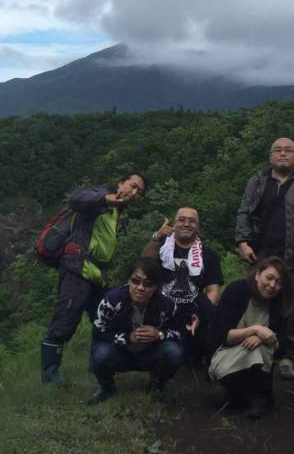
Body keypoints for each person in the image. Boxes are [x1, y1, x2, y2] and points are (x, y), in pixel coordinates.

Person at [40, 172, 146, 385]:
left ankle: (101, 368)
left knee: (105, 319)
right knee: (66, 319)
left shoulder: (119, 214)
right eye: (132, 186)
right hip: (77, 268)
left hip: (95, 274)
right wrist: (105, 198)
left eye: (139, 192)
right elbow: (75, 198)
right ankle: (50, 378)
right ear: (120, 183)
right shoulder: (101, 196)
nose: (134, 193)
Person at [234, 137, 294, 380]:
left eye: (288, 151)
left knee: (291, 309)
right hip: (260, 256)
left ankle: (285, 356)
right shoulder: (258, 181)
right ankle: (248, 351)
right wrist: (242, 242)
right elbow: (244, 211)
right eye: (278, 150)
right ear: (271, 156)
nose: (283, 154)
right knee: (254, 303)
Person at [88, 258, 186, 403]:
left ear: (156, 287)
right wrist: (127, 338)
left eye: (147, 284)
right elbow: (97, 331)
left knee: (175, 352)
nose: (140, 288)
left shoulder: (167, 304)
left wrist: (159, 334)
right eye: (135, 281)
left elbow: (181, 332)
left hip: (151, 352)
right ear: (129, 280)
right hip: (119, 351)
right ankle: (106, 388)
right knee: (99, 354)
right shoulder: (112, 300)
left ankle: (156, 387)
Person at [208, 257, 291, 419]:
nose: (272, 285)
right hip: (228, 350)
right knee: (256, 347)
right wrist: (256, 329)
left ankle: (259, 398)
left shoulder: (279, 302)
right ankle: (240, 394)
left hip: (261, 352)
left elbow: (282, 344)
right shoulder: (236, 290)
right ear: (257, 275)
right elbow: (222, 335)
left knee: (264, 346)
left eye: (279, 282)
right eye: (269, 278)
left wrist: (262, 337)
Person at [142, 207, 222, 363]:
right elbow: (144, 265)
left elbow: (213, 289)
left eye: (192, 221)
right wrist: (157, 236)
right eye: (182, 220)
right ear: (174, 224)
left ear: (197, 226)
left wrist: (202, 314)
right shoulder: (162, 247)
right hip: (162, 307)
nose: (186, 224)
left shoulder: (209, 254)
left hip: (193, 309)